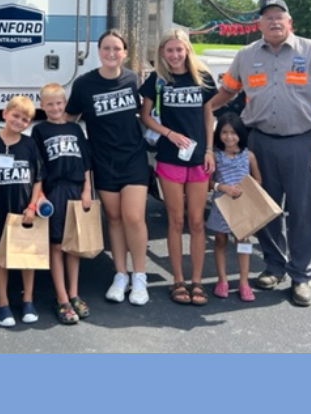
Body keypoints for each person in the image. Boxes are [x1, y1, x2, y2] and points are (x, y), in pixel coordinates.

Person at [203, 0, 311, 308]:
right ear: (259, 25)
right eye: (268, 17)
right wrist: (203, 109)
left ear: (290, 23)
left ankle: (301, 275)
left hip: (300, 142)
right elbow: (229, 90)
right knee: (263, 207)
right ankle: (274, 266)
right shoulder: (247, 55)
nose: (274, 22)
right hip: (260, 143)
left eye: (280, 16)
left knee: (303, 211)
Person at [66, 29, 152, 306]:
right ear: (99, 52)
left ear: (125, 53)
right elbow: (70, 120)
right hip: (103, 161)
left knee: (134, 218)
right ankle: (120, 274)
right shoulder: (84, 84)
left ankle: (140, 277)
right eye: (106, 49)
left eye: (117, 49)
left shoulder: (132, 79)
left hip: (133, 158)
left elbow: (145, 113)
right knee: (113, 219)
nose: (112, 53)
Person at [139, 28, 217, 307]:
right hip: (169, 158)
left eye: (179, 49)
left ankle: (197, 281)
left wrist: (209, 150)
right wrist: (169, 134)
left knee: (197, 221)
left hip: (198, 159)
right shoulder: (157, 80)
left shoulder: (202, 78)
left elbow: (208, 116)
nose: (174, 55)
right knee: (176, 221)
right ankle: (178, 281)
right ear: (162, 52)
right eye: (169, 50)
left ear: (187, 50)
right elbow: (145, 116)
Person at [32, 82, 94, 324]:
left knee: (74, 245)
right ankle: (61, 297)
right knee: (56, 246)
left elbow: (86, 162)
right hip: (54, 190)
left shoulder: (76, 129)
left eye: (59, 103)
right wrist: (40, 195)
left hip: (77, 189)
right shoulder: (40, 131)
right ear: (42, 106)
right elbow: (37, 167)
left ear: (65, 103)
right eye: (50, 104)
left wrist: (87, 189)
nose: (55, 107)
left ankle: (74, 293)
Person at [0, 95, 45, 327]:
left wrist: (31, 206)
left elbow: (38, 178)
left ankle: (27, 299)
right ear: (4, 114)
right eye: (16, 116)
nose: (19, 121)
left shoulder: (29, 145)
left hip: (24, 211)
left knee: (27, 257)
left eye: (25, 119)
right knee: (1, 258)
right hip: (0, 210)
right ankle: (2, 302)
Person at [206, 111, 262, 302]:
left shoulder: (249, 156)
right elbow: (207, 182)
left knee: (243, 242)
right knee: (220, 241)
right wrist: (222, 187)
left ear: (240, 133)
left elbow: (258, 180)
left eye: (233, 132)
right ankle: (222, 279)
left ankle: (244, 282)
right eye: (224, 132)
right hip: (221, 205)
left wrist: (246, 189)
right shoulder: (215, 156)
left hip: (242, 206)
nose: (229, 137)